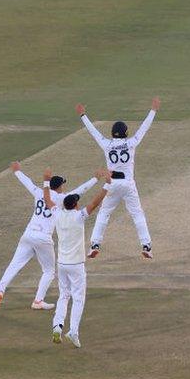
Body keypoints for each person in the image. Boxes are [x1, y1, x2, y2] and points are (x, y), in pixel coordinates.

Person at [0, 162, 96, 311]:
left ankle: (0, 289)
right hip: (43, 238)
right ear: (59, 186)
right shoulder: (62, 198)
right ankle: (38, 300)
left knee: (15, 264)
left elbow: (28, 183)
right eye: (62, 185)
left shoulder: (39, 192)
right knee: (48, 271)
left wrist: (17, 172)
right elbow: (81, 191)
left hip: (28, 234)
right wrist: (96, 179)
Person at [76, 97, 160, 259]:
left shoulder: (106, 144)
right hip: (128, 184)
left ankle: (95, 244)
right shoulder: (131, 143)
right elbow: (144, 128)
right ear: (126, 133)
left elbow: (93, 132)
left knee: (104, 213)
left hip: (111, 184)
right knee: (137, 214)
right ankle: (146, 246)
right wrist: (153, 110)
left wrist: (83, 116)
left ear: (112, 133)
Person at [42, 167, 111, 348]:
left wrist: (46, 181)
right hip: (76, 265)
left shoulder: (57, 213)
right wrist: (107, 185)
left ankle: (57, 326)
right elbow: (95, 204)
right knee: (78, 298)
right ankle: (73, 331)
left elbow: (47, 199)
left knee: (63, 296)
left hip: (62, 264)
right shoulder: (79, 217)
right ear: (76, 205)